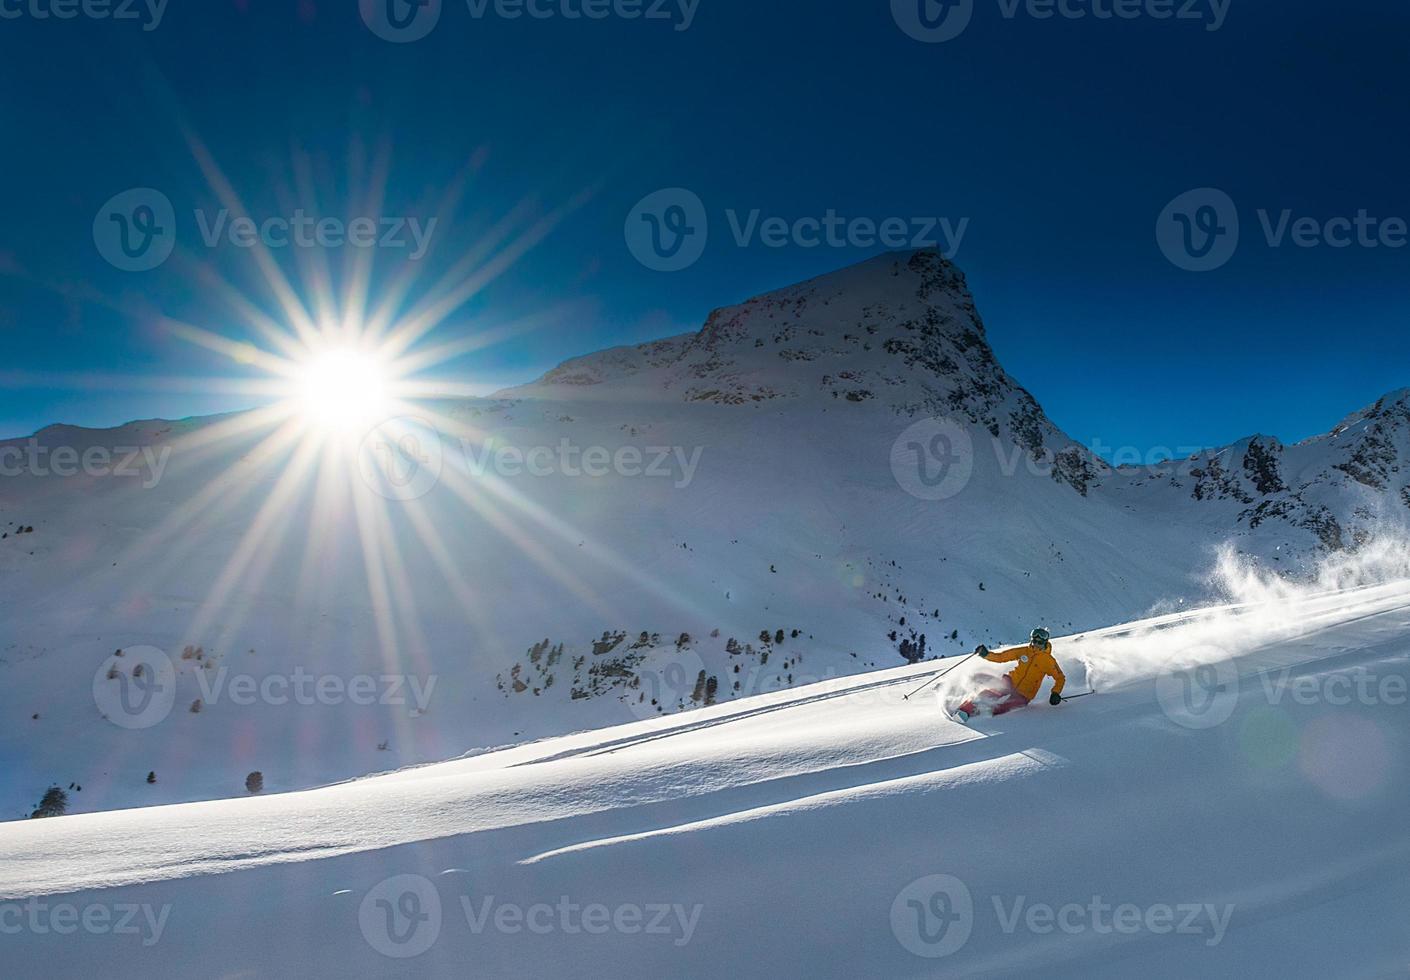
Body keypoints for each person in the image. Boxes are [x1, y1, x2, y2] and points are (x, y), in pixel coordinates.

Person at [955, 627, 1066, 723]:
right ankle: (964, 709)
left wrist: (1055, 693)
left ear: (1045, 642)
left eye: (1039, 643)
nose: (1036, 645)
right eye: (1034, 641)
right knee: (988, 693)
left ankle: (981, 714)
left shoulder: (1048, 661)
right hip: (1011, 681)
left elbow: (1060, 678)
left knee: (1005, 708)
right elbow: (1002, 657)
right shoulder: (1024, 651)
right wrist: (986, 654)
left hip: (1025, 693)